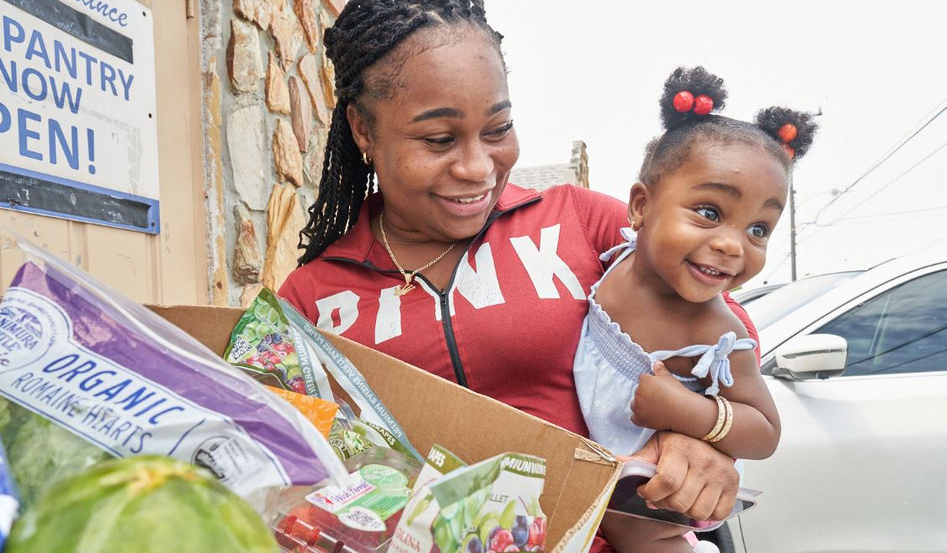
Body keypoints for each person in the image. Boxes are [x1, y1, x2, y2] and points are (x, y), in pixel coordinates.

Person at [278, 1, 749, 550]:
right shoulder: (311, 301)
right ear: (363, 128)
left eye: (498, 128)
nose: (477, 167)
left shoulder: (582, 223)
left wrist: (697, 440)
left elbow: (725, 344)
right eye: (438, 140)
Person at [574, 67, 817, 552]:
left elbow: (765, 431)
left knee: (645, 535)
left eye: (759, 229)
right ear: (640, 207)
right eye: (709, 213)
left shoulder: (714, 328)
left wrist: (685, 410)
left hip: (656, 500)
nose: (733, 245)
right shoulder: (617, 259)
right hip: (595, 484)